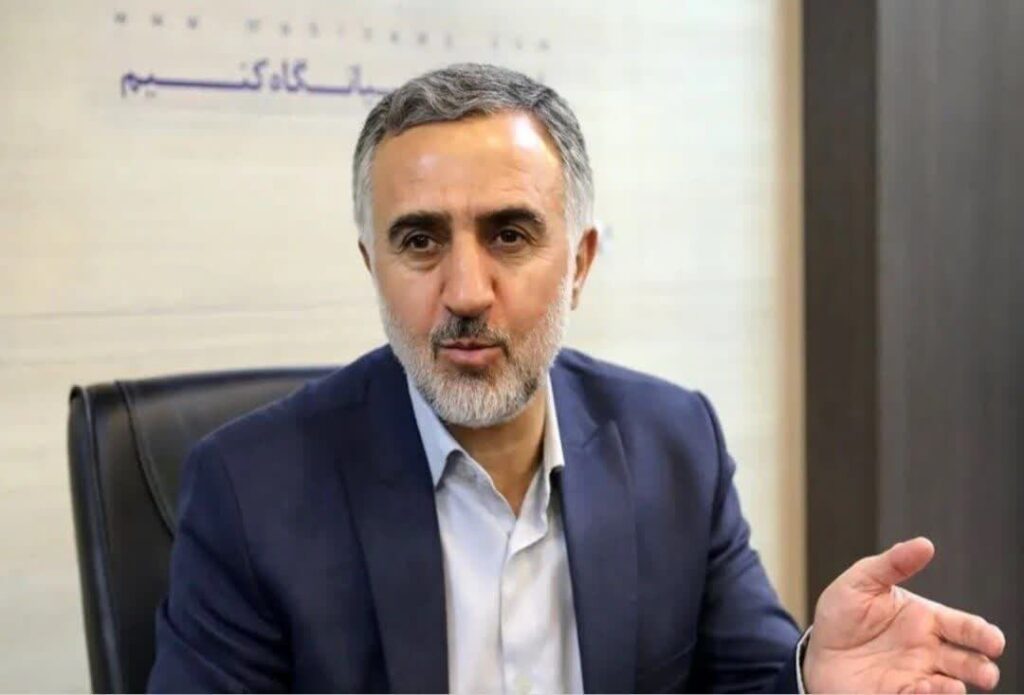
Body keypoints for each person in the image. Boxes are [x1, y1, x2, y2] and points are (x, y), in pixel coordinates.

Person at [148, 63, 1005, 694]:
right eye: (420, 241)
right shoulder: (249, 491)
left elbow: (747, 678)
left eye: (510, 234)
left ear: (580, 264)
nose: (466, 291)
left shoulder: (675, 444)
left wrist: (813, 679)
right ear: (374, 266)